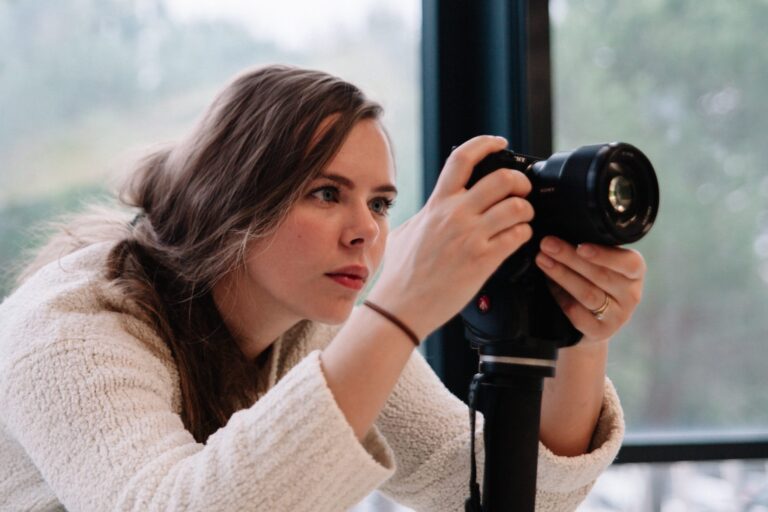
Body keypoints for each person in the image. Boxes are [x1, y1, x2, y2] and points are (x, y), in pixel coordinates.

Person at [0, 65, 643, 511]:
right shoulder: (72, 326)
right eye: (326, 193)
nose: (365, 230)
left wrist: (577, 328)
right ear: (232, 199)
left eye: (382, 202)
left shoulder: (311, 321)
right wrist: (398, 309)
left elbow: (493, 489)